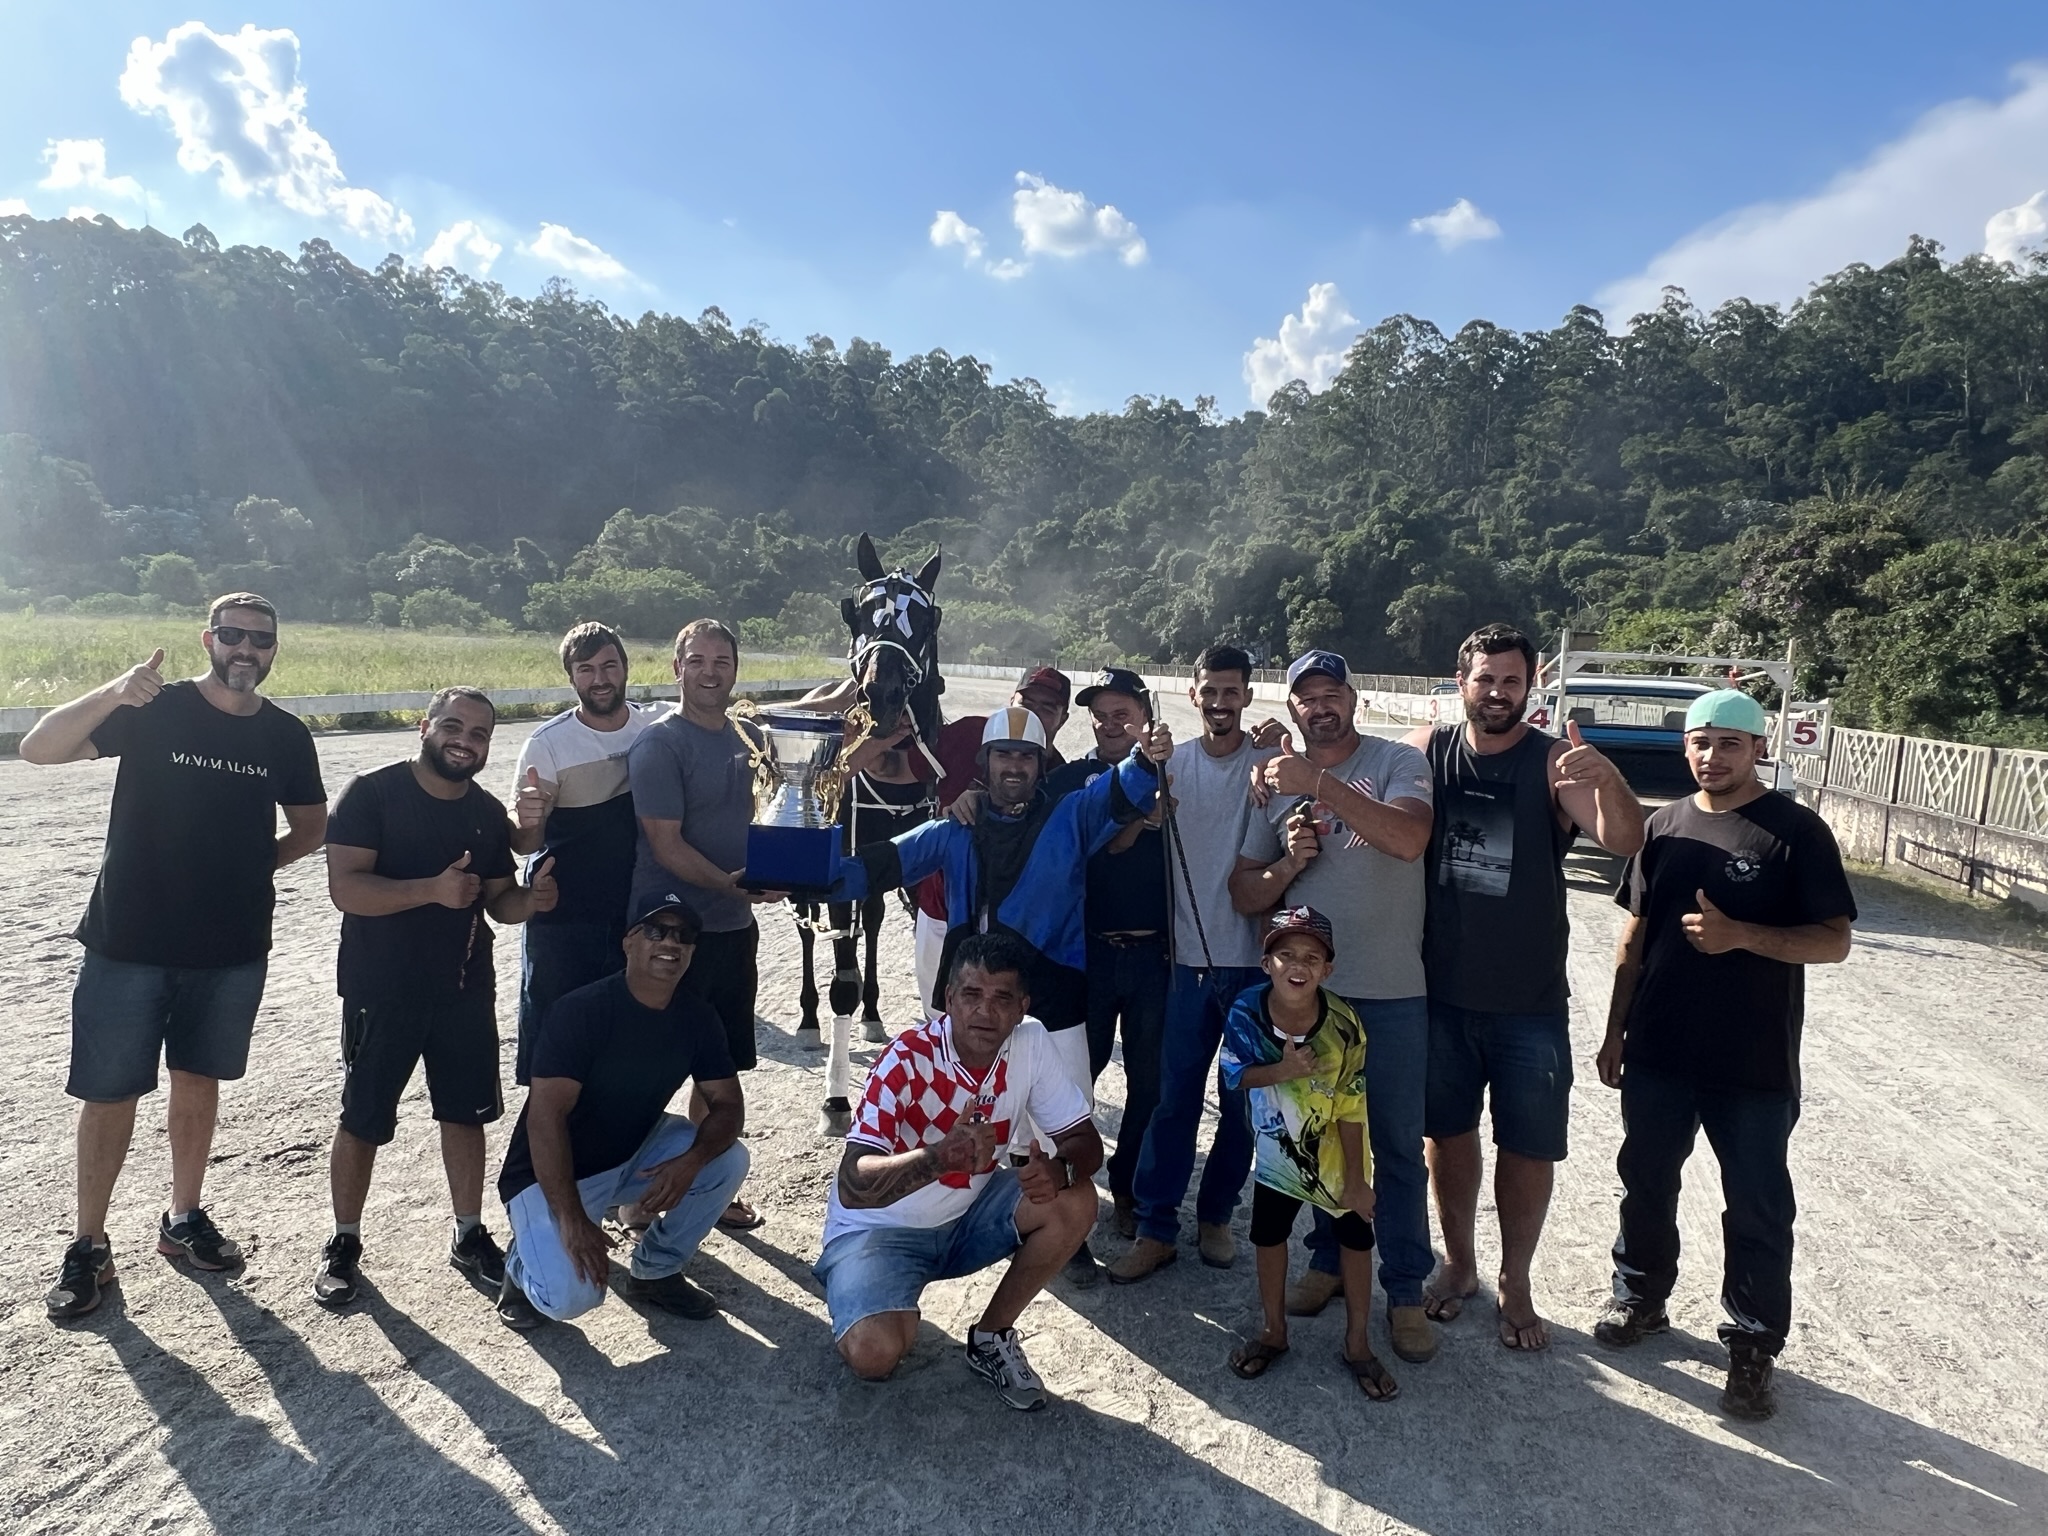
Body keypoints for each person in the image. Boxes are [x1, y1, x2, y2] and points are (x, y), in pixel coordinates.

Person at [26, 594, 327, 1320]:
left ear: (274, 648)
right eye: (233, 635)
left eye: (261, 638)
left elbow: (312, 827)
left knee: (198, 1081)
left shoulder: (285, 735)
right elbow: (38, 748)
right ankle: (89, 1245)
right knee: (110, 1092)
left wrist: (252, 868)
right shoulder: (153, 709)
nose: (246, 648)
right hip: (128, 941)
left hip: (229, 947)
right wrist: (113, 691)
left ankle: (184, 1218)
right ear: (208, 639)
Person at [1594, 688, 1855, 1421]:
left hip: (1753, 1062)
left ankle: (1752, 1345)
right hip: (1660, 1049)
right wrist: (1615, 1030)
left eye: (1730, 743)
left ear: (1759, 748)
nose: (1712, 756)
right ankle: (1640, 1297)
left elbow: (1834, 940)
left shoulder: (1795, 832)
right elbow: (1636, 933)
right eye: (1701, 742)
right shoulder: (1663, 826)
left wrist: (1742, 936)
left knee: (1757, 1206)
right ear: (1686, 746)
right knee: (1646, 1180)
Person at [1404, 624, 1645, 1350]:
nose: (1497, 693)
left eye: (1511, 680)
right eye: (1485, 679)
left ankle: (1516, 1277)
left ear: (1531, 685)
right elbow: (1362, 789)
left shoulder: (1553, 764)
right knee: (1446, 1136)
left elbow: (1625, 840)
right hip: (1440, 993)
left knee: (1528, 1146)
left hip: (1529, 1002)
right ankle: (1460, 1265)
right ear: (1461, 683)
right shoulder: (1427, 748)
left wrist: (1608, 778)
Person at [314, 686, 558, 1308]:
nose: (464, 741)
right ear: (423, 728)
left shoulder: (484, 812)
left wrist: (532, 901)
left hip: (463, 989)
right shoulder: (370, 793)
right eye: (453, 726)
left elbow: (500, 901)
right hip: (380, 989)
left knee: (465, 1114)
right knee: (362, 1118)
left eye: (479, 734)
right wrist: (431, 889)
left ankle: (468, 1234)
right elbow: (347, 890)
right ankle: (343, 1241)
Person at [1230, 649, 1440, 1365]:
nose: (1320, 707)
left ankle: (1403, 1291)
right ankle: (1325, 1261)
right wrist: (1289, 862)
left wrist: (1315, 783)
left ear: (1355, 699)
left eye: (1332, 694)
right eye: (1307, 698)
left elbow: (1408, 839)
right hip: (1312, 1001)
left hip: (1394, 992)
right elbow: (1244, 893)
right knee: (1318, 1135)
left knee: (1398, 1149)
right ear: (1291, 708)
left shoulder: (1396, 762)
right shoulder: (1273, 782)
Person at [816, 933, 1105, 1411]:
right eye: (971, 995)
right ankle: (861, 1285)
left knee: (1075, 1200)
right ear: (948, 999)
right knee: (875, 1353)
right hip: (879, 1230)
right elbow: (852, 1185)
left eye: (1002, 999)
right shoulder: (905, 1058)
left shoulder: (1031, 1042)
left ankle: (992, 1336)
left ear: (1022, 1008)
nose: (984, 1012)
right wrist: (938, 1158)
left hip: (966, 1216)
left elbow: (1086, 1142)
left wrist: (1059, 1170)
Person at [495, 894, 750, 1329]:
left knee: (728, 1159)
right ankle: (520, 1264)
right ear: (628, 942)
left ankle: (656, 1272)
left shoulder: (697, 1016)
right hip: (549, 1173)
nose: (670, 942)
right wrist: (572, 1218)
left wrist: (691, 1161)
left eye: (683, 935)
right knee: (571, 1299)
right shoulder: (581, 1011)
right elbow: (545, 1119)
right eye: (656, 930)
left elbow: (728, 1105)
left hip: (632, 1153)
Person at [1108, 645, 1280, 1282]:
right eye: (1210, 691)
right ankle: (1156, 1227)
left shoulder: (1268, 763)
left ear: (1247, 696)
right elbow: (1118, 832)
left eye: (1232, 691)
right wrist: (1143, 771)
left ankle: (1215, 1215)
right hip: (1186, 967)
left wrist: (1282, 745)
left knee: (1239, 1106)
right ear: (1193, 694)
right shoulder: (1169, 764)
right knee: (1173, 1101)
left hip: (1252, 968)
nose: (1220, 702)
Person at [628, 618, 779, 1232]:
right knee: (650, 1067)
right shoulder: (660, 745)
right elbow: (665, 845)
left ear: (735, 670)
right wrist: (731, 883)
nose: (710, 672)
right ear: (677, 668)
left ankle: (706, 1182)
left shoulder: (750, 738)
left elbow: (805, 776)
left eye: (722, 661)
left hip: (733, 930)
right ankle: (636, 1194)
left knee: (716, 1067)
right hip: (669, 933)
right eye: (697, 660)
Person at [1219, 907, 1395, 1401]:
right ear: (1266, 964)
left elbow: (1352, 1105)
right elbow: (1233, 1074)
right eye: (1286, 954)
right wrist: (1284, 1070)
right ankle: (1273, 1330)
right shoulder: (1245, 1011)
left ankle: (1357, 1342)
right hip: (1276, 1156)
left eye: (1312, 958)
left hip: (1338, 1155)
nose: (1298, 965)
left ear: (1327, 970)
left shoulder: (1345, 1025)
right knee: (1268, 1234)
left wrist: (1357, 1181)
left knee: (1356, 1239)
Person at [1043, 668, 1170, 1256]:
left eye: (1123, 714)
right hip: (1087, 954)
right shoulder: (1069, 779)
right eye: (1101, 715)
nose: (1111, 724)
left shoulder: (1177, 773)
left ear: (1145, 716)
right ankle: (1067, 1189)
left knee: (1148, 1082)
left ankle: (1128, 1187)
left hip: (1155, 954)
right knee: (1074, 1080)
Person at [509, 621, 664, 1085]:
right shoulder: (547, 743)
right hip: (565, 917)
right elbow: (524, 843)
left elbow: (733, 718)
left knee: (626, 1049)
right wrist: (527, 819)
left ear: (626, 668)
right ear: (571, 677)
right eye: (586, 669)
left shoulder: (656, 725)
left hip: (633, 912)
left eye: (609, 666)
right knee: (555, 1051)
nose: (600, 679)